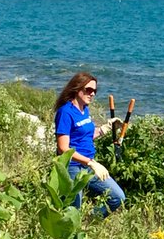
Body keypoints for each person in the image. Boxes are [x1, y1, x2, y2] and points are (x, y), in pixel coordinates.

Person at [53, 72, 125, 217]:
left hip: (88, 165)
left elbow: (84, 135)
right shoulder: (65, 112)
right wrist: (91, 163)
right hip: (72, 168)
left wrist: (105, 128)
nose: (92, 94)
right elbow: (63, 148)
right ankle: (75, 227)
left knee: (118, 197)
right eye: (88, 90)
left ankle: (90, 219)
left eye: (94, 91)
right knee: (72, 211)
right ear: (76, 88)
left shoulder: (84, 109)